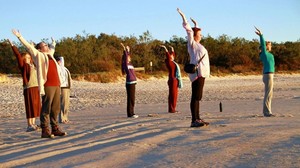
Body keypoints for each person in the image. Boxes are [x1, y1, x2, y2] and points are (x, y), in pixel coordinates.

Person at [12, 29, 67, 138]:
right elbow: (28, 46)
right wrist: (19, 37)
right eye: (44, 45)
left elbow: (52, 48)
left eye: (47, 45)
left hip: (56, 84)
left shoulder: (50, 55)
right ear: (39, 48)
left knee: (55, 108)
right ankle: (45, 130)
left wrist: (53, 43)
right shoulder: (38, 55)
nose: (46, 46)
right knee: (46, 107)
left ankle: (55, 128)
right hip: (47, 85)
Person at [177, 8, 210, 127]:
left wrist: (197, 24)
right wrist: (184, 17)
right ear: (195, 35)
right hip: (197, 74)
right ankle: (194, 120)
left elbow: (194, 30)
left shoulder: (199, 45)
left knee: (198, 97)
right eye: (200, 34)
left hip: (202, 74)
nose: (201, 36)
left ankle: (198, 118)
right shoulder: (192, 44)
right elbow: (189, 31)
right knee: (195, 97)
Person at [7, 39, 41, 132]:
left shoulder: (33, 65)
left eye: (28, 57)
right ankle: (29, 125)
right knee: (29, 106)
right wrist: (12, 45)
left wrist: (32, 47)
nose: (27, 59)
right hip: (28, 88)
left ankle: (33, 124)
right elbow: (17, 55)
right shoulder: (23, 66)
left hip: (36, 87)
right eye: (25, 57)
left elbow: (35, 55)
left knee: (35, 106)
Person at [255, 27, 276, 117]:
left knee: (269, 94)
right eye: (270, 45)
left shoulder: (270, 55)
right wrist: (261, 35)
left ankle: (267, 111)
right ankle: (267, 112)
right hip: (268, 75)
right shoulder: (264, 54)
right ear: (267, 46)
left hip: (269, 75)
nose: (271, 46)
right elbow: (263, 45)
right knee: (268, 94)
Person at [160, 45, 183, 113]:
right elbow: (168, 56)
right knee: (173, 95)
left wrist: (172, 49)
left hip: (173, 80)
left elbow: (173, 55)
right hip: (173, 80)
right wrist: (166, 49)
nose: (172, 56)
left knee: (173, 95)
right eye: (171, 55)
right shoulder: (170, 63)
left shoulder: (172, 62)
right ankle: (172, 109)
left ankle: (172, 108)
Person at [121, 43, 138, 118]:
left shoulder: (130, 64)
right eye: (128, 57)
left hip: (133, 82)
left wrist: (128, 51)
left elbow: (127, 56)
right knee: (131, 99)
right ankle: (130, 113)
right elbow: (125, 57)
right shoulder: (126, 64)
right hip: (130, 83)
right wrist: (126, 50)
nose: (129, 57)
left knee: (132, 98)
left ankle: (131, 113)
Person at [55, 56, 72, 123]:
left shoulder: (64, 69)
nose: (60, 62)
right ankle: (62, 118)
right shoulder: (57, 68)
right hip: (62, 87)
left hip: (67, 87)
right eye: (58, 60)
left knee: (66, 103)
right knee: (63, 103)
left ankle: (65, 117)